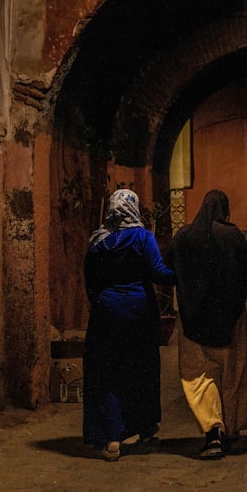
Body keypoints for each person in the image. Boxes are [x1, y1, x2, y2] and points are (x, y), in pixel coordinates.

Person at [164, 190, 247, 460]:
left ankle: (212, 433)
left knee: (199, 378)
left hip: (193, 322)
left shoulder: (184, 236)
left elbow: (167, 265)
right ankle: (231, 428)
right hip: (231, 321)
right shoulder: (232, 235)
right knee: (232, 375)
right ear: (224, 210)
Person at [82, 188, 176, 461]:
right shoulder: (142, 237)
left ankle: (111, 438)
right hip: (139, 315)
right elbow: (159, 273)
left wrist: (103, 304)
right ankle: (141, 425)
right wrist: (187, 274)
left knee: (107, 373)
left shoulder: (98, 241)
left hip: (105, 314)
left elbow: (90, 282)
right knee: (139, 370)